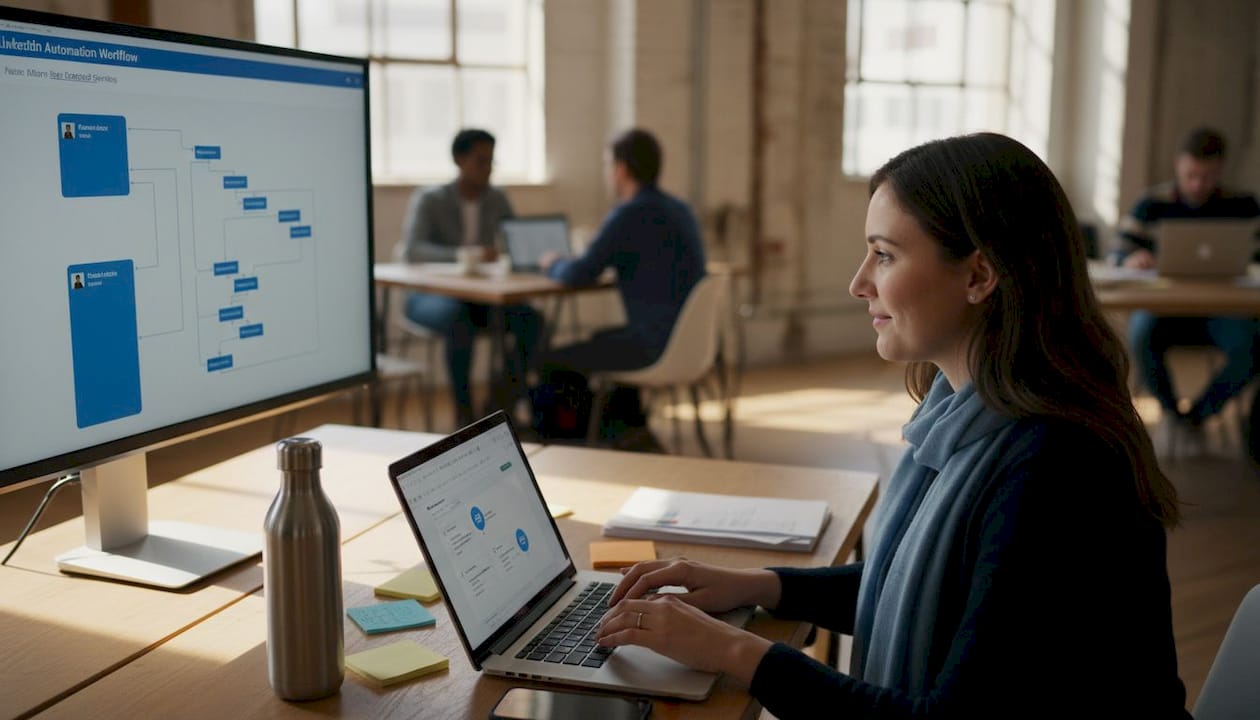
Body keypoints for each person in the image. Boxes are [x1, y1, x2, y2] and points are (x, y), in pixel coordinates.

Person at [595, 133, 1191, 717]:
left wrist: (730, 647)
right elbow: (916, 587)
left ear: (980, 276)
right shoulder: (964, 415)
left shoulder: (1055, 464)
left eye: (885, 254)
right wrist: (756, 585)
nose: (860, 283)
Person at [533, 128, 706, 446]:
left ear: (621, 169)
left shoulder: (629, 214)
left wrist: (552, 262)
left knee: (550, 360)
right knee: (600, 339)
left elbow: (579, 273)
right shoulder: (680, 209)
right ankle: (625, 429)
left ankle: (571, 444)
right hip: (690, 344)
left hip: (652, 344)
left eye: (607, 165)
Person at [1117, 127, 1260, 450]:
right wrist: (1132, 258)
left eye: (1207, 176)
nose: (1198, 184)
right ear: (1178, 165)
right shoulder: (1151, 203)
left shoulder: (1244, 206)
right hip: (1164, 310)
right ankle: (1172, 411)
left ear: (1221, 170)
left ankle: (1198, 414)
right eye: (1192, 175)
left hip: (1223, 312)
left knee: (1251, 344)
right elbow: (1118, 251)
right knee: (1140, 336)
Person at [395, 128, 541, 427]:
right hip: (430, 297)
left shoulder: (497, 198)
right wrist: (466, 254)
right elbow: (413, 250)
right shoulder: (430, 199)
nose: (488, 168)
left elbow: (515, 242)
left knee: (532, 321)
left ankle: (499, 404)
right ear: (459, 160)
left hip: (481, 298)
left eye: (491, 161)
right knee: (459, 321)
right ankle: (465, 417)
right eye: (481, 161)